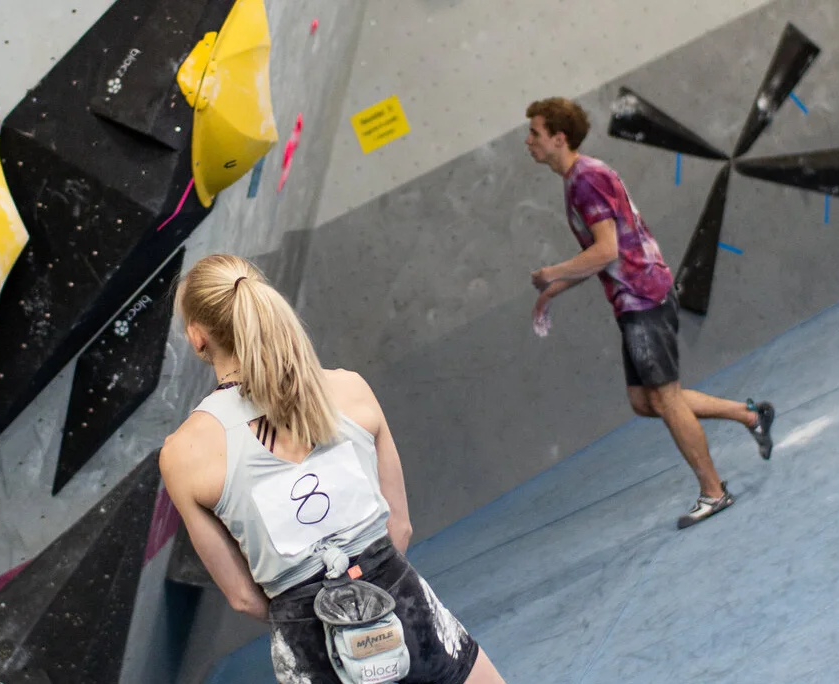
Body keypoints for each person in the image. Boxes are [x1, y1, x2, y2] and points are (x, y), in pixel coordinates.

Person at [159, 254, 506, 683]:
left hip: (309, 646)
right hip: (401, 603)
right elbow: (399, 528)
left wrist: (309, 613)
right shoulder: (349, 389)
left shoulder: (184, 453)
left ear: (197, 337)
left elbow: (243, 599)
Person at [523, 96, 776, 529]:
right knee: (646, 401)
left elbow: (606, 251)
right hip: (635, 298)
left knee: (665, 397)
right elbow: (598, 257)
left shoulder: (586, 179)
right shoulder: (577, 180)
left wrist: (550, 273)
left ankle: (714, 492)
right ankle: (750, 415)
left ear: (559, 138)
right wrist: (554, 291)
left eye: (535, 133)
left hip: (644, 296)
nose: (529, 142)